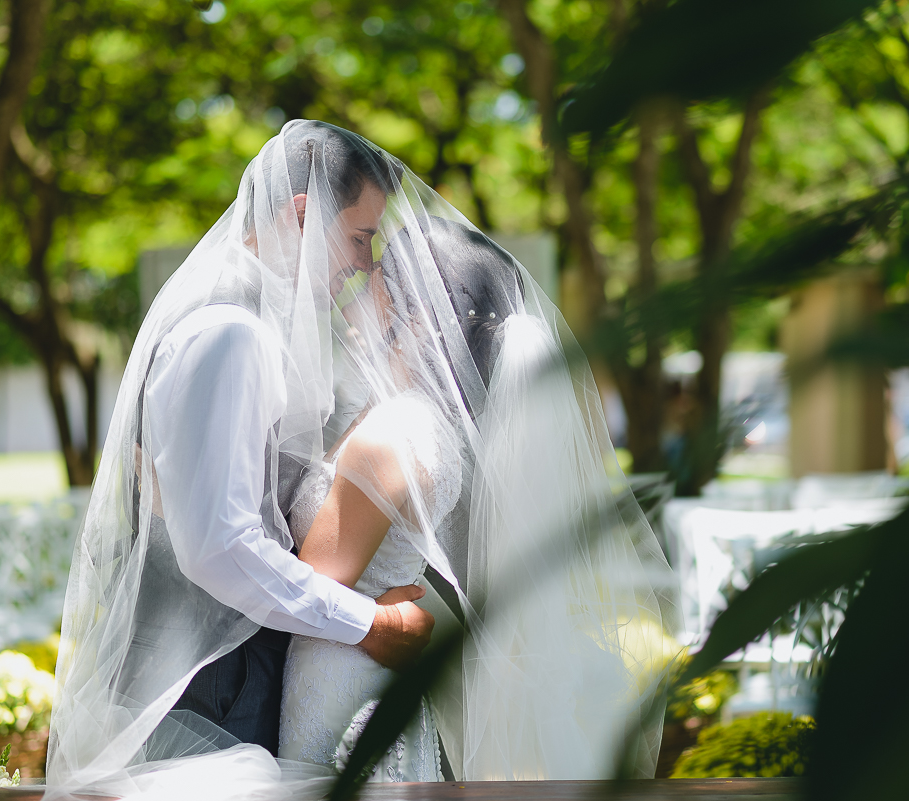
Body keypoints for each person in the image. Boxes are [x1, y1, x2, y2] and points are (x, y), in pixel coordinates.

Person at [45, 122, 436, 799]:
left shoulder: (249, 317)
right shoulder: (231, 331)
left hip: (216, 671)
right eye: (359, 239)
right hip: (200, 686)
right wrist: (368, 622)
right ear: (306, 216)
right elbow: (221, 545)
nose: (364, 267)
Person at [278, 174, 680, 779]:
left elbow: (306, 586)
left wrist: (373, 615)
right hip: (368, 668)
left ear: (419, 315)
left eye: (381, 283)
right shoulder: (432, 429)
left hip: (338, 678)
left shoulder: (391, 436)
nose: (361, 289)